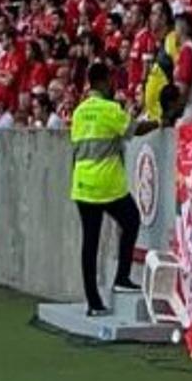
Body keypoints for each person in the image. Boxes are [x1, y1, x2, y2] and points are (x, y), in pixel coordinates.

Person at [66, 59, 146, 319]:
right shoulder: (109, 109)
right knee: (131, 221)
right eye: (110, 80)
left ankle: (93, 302)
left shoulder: (78, 112)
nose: (113, 85)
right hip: (107, 184)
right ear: (102, 82)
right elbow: (134, 129)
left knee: (90, 243)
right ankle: (121, 276)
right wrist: (158, 122)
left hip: (82, 183)